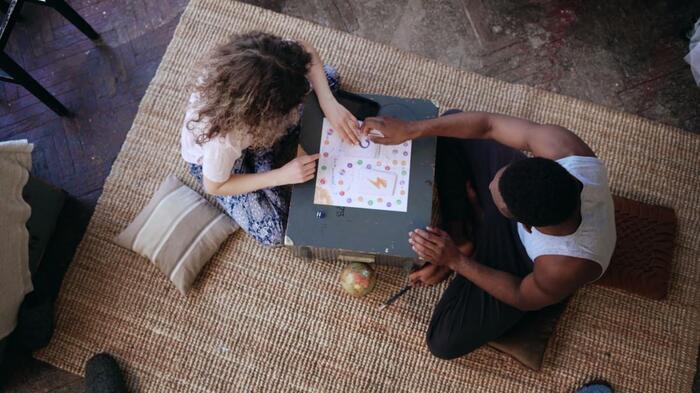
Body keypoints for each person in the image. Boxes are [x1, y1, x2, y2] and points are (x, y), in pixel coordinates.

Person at [361, 110, 616, 359]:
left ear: (526, 226)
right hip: (526, 204)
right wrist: (411, 128)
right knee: (448, 125)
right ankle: (462, 233)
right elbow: (488, 124)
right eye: (498, 178)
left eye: (496, 196)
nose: (491, 182)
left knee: (444, 342)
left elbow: (522, 296)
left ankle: (471, 240)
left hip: (524, 259)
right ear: (543, 162)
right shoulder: (564, 149)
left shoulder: (564, 265)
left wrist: (456, 261)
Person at [181, 32, 361, 246]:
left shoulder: (271, 59)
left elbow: (307, 51)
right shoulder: (222, 142)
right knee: (275, 232)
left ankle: (266, 159)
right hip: (223, 169)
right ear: (263, 115)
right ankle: (263, 164)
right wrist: (280, 176)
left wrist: (328, 102)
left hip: (253, 131)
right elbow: (215, 186)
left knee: (329, 79)